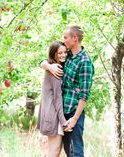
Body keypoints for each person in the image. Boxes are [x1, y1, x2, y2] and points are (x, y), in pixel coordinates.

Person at [40, 26, 94, 157]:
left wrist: (74, 119)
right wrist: (49, 66)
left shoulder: (85, 62)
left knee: (75, 152)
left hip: (73, 113)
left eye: (66, 37)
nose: (64, 40)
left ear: (74, 39)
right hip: (61, 112)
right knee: (63, 150)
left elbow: (84, 95)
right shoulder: (67, 54)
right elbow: (43, 61)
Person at [37, 41, 68, 157]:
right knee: (54, 152)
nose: (63, 55)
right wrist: (63, 122)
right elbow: (57, 99)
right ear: (54, 54)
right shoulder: (56, 70)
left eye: (65, 52)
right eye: (60, 53)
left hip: (51, 114)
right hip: (53, 116)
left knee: (55, 151)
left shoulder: (52, 67)